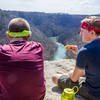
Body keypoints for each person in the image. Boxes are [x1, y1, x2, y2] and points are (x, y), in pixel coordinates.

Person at [52, 16, 100, 100]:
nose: (80, 34)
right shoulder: (85, 52)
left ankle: (63, 76)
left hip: (93, 93)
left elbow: (74, 79)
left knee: (55, 77)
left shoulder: (85, 51)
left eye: (82, 31)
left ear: (92, 33)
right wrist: (78, 53)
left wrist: (68, 75)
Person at [0, 18, 46, 100]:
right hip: (37, 97)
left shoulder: (2, 51)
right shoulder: (38, 47)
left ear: (8, 35)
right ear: (28, 36)